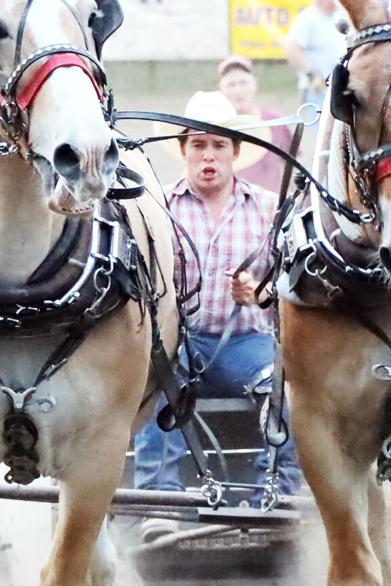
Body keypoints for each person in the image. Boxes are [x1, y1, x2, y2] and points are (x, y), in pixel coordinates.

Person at [134, 92, 304, 539]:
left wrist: (260, 294)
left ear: (235, 153)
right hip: (179, 341)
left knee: (285, 389)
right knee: (159, 384)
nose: (208, 156)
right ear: (185, 152)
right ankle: (161, 502)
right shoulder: (159, 209)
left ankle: (278, 494)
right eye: (199, 145)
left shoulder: (269, 208)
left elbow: (289, 283)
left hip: (247, 345)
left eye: (219, 146)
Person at [216, 55, 295, 194]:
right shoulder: (215, 129)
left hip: (271, 206)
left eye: (243, 83)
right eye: (231, 85)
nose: (238, 91)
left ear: (254, 84)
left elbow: (292, 168)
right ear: (220, 89)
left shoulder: (276, 123)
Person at [285, 0, 346, 112]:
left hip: (339, 88)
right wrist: (311, 75)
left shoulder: (340, 15)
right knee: (320, 128)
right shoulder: (308, 18)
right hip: (318, 90)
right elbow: (292, 48)